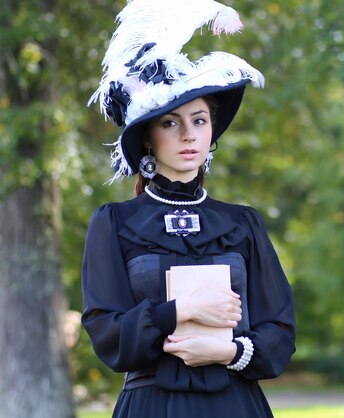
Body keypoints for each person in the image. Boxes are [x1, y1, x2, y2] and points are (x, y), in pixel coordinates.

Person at [80, 1, 296, 417]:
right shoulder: (114, 222)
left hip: (236, 404)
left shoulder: (243, 223)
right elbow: (107, 335)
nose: (187, 134)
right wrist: (180, 311)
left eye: (199, 120)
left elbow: (280, 333)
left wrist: (231, 350)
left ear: (212, 130)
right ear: (148, 137)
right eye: (170, 122)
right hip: (151, 405)